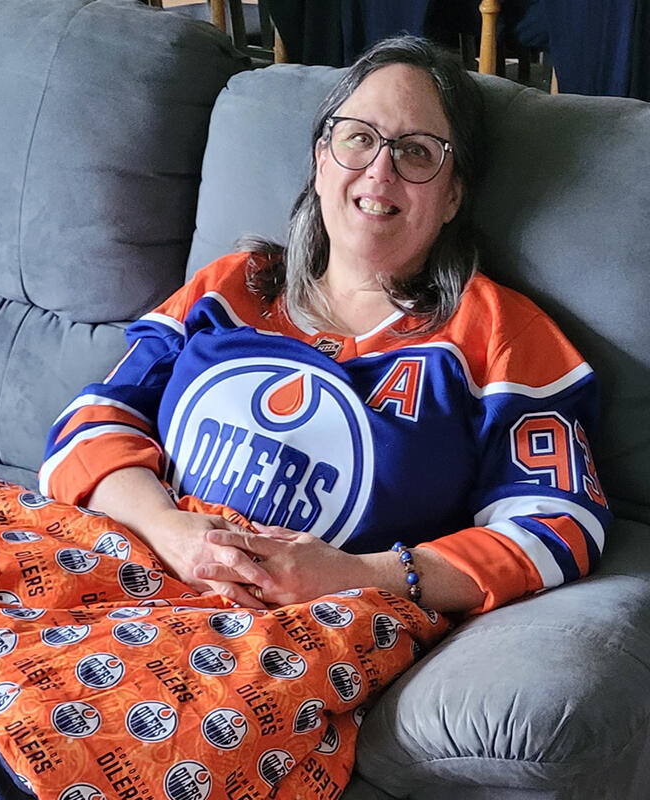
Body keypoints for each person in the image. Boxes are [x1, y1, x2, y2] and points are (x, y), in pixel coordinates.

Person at [40, 36, 610, 617]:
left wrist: (358, 575)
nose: (380, 169)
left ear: (453, 195)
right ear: (320, 161)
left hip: (297, 634)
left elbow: (559, 524)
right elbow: (88, 425)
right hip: (126, 563)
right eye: (359, 138)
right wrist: (167, 528)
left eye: (416, 152)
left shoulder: (498, 332)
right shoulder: (232, 285)